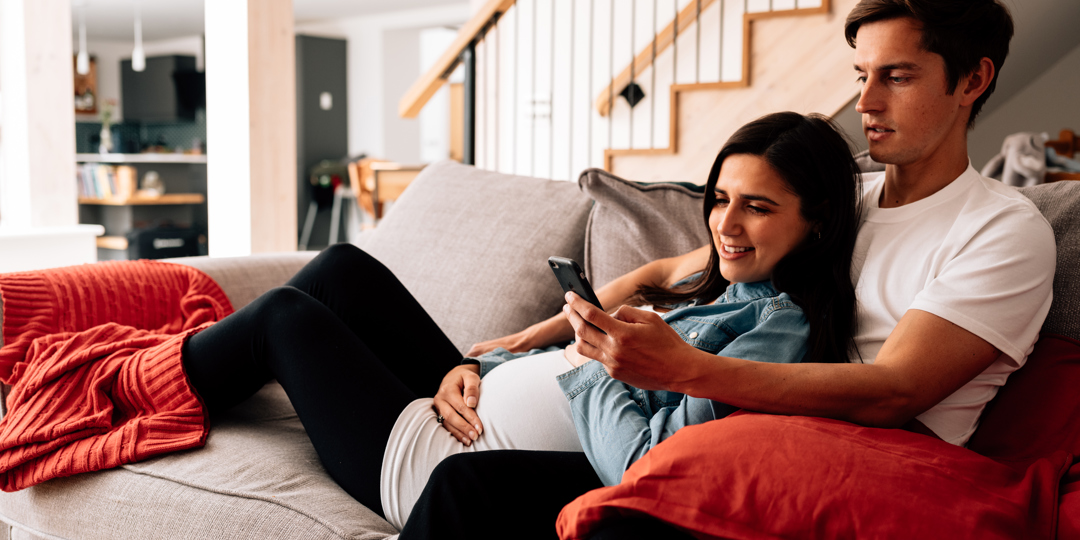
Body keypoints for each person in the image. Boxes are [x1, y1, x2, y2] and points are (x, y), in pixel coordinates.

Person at [396, 0, 1057, 538]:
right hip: (723, 425)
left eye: (899, 76)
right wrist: (520, 340)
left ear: (972, 80)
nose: (866, 103)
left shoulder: (1002, 229)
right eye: (862, 75)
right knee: (465, 486)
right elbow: (669, 265)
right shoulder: (841, 199)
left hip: (843, 463)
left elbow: (893, 391)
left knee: (476, 491)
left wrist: (683, 369)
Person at [181, 111, 862, 532]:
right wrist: (477, 366)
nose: (726, 225)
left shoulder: (778, 332)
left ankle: (148, 390)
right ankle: (171, 370)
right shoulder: (728, 285)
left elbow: (648, 465)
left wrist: (594, 364)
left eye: (758, 208)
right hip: (468, 402)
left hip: (444, 457)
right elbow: (664, 272)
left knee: (283, 316)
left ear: (819, 220)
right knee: (340, 267)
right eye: (718, 200)